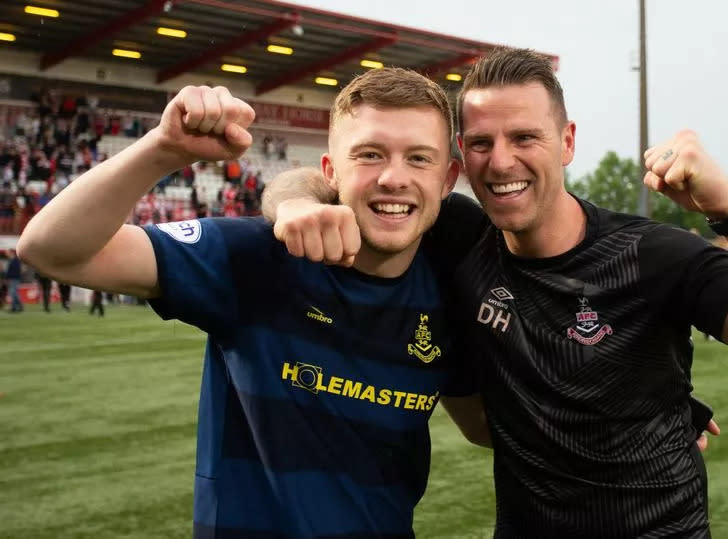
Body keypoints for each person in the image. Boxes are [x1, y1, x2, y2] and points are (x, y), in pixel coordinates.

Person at [263, 46, 728, 537]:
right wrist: (298, 206)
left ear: (567, 141)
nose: (501, 162)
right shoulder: (455, 235)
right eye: (481, 143)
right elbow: (322, 180)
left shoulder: (655, 256)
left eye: (525, 137)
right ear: (460, 158)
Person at [17, 71, 489, 538]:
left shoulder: (449, 290)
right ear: (329, 172)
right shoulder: (255, 257)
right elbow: (49, 250)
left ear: (448, 178)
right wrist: (164, 148)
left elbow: (483, 428)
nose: (393, 177)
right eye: (370, 154)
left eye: (419, 158)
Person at [5, 249, 23, 313]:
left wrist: (8, 277)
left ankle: (15, 307)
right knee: (14, 293)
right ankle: (18, 306)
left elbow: (16, 271)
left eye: (8, 252)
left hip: (15, 279)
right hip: (12, 279)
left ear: (12, 253)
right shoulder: (11, 260)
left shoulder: (15, 260)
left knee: (13, 293)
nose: (6, 254)